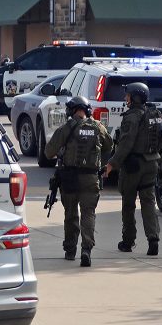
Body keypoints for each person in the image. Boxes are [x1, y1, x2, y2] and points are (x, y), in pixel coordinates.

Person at [45, 95, 113, 268]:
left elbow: (48, 152)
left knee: (71, 214)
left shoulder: (66, 128)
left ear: (72, 110)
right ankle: (86, 250)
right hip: (91, 177)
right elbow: (109, 146)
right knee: (88, 213)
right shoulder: (98, 127)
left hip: (69, 177)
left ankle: (70, 250)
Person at [104, 82, 162, 256]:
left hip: (133, 166)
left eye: (128, 95)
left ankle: (128, 241)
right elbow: (161, 142)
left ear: (135, 97)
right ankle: (153, 239)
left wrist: (112, 163)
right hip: (152, 163)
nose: (125, 99)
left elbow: (125, 144)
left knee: (128, 204)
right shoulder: (155, 115)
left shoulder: (131, 117)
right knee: (148, 202)